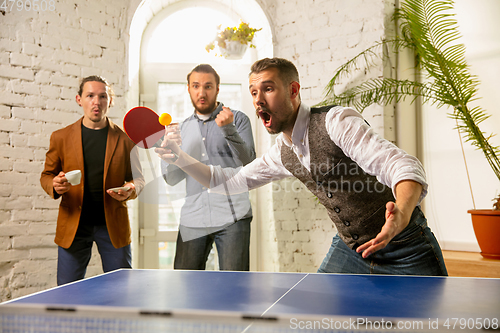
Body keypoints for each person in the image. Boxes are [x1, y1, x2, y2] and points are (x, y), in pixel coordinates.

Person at [156, 57, 448, 276]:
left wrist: (401, 214)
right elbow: (227, 181)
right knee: (313, 321)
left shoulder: (336, 122)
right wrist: (180, 157)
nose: (258, 100)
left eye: (268, 89)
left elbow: (403, 165)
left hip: (406, 248)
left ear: (293, 90)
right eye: (254, 92)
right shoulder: (282, 153)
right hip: (351, 250)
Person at [40, 75, 145, 285]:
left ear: (110, 101)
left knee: (122, 289)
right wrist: (54, 184)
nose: (96, 102)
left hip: (113, 224)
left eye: (102, 96)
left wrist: (130, 188)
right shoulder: (60, 137)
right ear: (79, 99)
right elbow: (47, 175)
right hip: (74, 225)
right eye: (90, 96)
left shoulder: (125, 140)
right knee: (67, 291)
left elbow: (138, 179)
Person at [161, 64, 256, 271]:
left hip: (233, 217)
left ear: (218, 88)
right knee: (186, 287)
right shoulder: (181, 129)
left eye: (208, 86)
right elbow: (172, 179)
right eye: (196, 86)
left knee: (234, 289)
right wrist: (170, 156)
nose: (201, 93)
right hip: (193, 218)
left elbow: (249, 163)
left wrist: (228, 129)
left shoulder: (238, 119)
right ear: (188, 88)